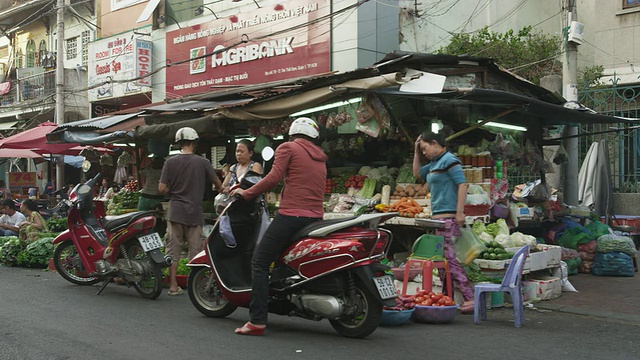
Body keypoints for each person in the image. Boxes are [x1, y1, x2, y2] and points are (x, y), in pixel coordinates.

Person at [230, 117, 327, 335]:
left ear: (292, 134)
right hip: (315, 218)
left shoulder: (288, 147)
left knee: (260, 261)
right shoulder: (320, 157)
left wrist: (246, 193)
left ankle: (257, 321)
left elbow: (273, 178)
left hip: (291, 215)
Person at [412, 131, 474, 314]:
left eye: (424, 148)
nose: (424, 152)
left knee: (450, 260)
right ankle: (448, 298)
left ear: (434, 143)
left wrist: (459, 212)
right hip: (437, 218)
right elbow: (416, 174)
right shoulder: (433, 164)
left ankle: (470, 298)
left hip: (448, 217)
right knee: (442, 261)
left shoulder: (449, 160)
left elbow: (462, 184)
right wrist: (416, 151)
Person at [158, 127, 222, 296]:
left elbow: (161, 188)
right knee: (196, 250)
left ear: (179, 143)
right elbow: (219, 185)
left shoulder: (170, 162)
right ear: (194, 143)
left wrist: (174, 189)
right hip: (194, 211)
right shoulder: (203, 162)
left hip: (176, 211)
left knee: (173, 249)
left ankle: (172, 286)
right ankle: (196, 287)